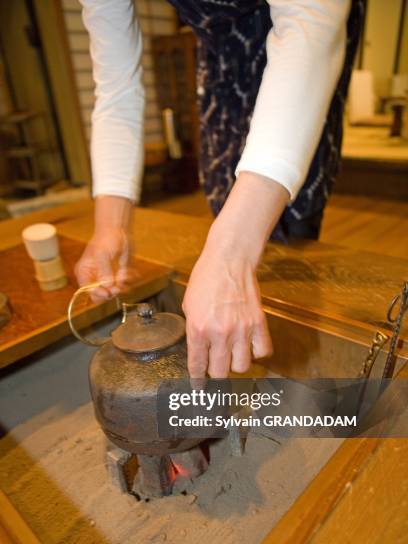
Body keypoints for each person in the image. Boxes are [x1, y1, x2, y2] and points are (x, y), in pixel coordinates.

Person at [76, 0, 364, 379]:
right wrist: (110, 223)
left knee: (286, 215)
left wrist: (232, 253)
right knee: (222, 194)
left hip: (304, 46)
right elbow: (116, 88)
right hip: (222, 55)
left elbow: (311, 22)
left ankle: (297, 356)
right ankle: (239, 322)